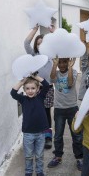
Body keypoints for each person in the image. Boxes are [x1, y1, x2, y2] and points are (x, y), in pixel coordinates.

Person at [10, 74, 50, 176]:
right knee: (28, 155)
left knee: (39, 155)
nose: (30, 91)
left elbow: (46, 85)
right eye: (27, 89)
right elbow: (13, 93)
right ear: (24, 90)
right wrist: (23, 81)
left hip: (41, 133)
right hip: (28, 133)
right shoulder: (23, 99)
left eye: (33, 88)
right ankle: (28, 172)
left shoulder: (40, 97)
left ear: (37, 89)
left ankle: (39, 171)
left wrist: (35, 77)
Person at [47, 57, 84, 171]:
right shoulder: (56, 73)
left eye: (65, 62)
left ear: (68, 62)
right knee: (58, 135)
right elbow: (52, 78)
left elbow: (69, 84)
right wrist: (54, 64)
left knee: (76, 135)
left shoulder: (72, 72)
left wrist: (71, 67)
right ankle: (58, 156)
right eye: (60, 62)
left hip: (72, 108)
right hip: (59, 109)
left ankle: (79, 157)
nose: (62, 64)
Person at [24, 20, 56, 149]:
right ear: (36, 46)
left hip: (47, 89)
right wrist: (35, 30)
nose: (40, 45)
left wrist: (53, 33)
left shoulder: (51, 56)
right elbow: (26, 43)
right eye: (38, 44)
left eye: (43, 43)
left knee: (47, 113)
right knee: (36, 112)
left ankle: (48, 137)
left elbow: (57, 44)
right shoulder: (34, 56)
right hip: (35, 89)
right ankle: (36, 135)